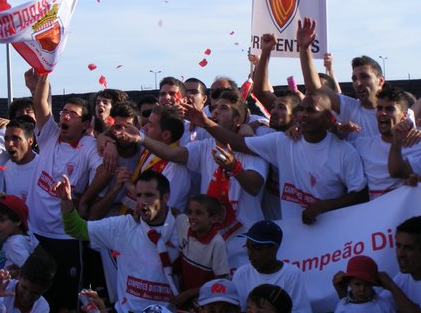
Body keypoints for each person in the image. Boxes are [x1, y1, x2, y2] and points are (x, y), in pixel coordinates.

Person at [113, 89, 267, 268]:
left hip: (244, 244)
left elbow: (254, 186)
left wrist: (234, 167)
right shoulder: (204, 147)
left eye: (224, 108)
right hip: (209, 243)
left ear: (237, 120)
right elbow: (172, 153)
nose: (216, 111)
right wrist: (140, 137)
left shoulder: (252, 148)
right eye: (215, 108)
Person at [184, 91, 367, 224]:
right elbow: (237, 142)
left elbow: (360, 195)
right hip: (289, 238)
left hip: (329, 244)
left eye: (311, 110)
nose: (304, 115)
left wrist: (323, 207)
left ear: (328, 116)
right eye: (301, 110)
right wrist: (205, 122)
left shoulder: (345, 152)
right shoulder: (283, 141)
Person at [24, 68, 107, 313]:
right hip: (36, 234)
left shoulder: (88, 145)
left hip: (66, 238)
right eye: (64, 112)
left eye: (73, 114)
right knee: (35, 299)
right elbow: (40, 103)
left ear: (85, 124)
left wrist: (85, 198)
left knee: (66, 303)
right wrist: (44, 70)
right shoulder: (49, 135)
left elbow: (104, 171)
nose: (65, 116)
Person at [58, 170, 180, 313]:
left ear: (166, 197)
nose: (142, 201)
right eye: (139, 195)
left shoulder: (182, 228)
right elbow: (76, 229)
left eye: (149, 195)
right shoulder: (124, 226)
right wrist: (66, 201)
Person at [354, 84, 421, 199]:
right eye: (379, 108)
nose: (383, 113)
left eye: (390, 109)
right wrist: (337, 129)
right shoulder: (362, 145)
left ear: (404, 116)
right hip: (376, 210)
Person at [232, 220, 311, 313]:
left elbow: (300, 310)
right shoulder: (242, 273)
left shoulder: (291, 273)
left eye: (257, 248)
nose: (250, 253)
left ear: (273, 250)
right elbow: (238, 309)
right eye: (248, 247)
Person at [378, 216, 421, 312]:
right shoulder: (402, 277)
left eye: (408, 248)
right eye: (398, 246)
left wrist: (392, 287)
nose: (400, 254)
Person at [172, 194, 229, 310]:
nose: (192, 217)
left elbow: (220, 281)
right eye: (190, 212)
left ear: (213, 219)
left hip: (203, 303)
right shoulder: (185, 224)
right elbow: (174, 212)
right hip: (184, 298)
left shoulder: (217, 243)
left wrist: (188, 294)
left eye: (198, 213)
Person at [0, 195, 38, 278]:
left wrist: (17, 275)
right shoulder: (28, 234)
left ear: (18, 221)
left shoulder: (14, 244)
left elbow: (30, 272)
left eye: (2, 220)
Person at [2, 117, 37, 202]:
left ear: (30, 141)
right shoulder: (7, 167)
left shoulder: (44, 167)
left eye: (15, 138)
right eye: (6, 139)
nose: (10, 144)